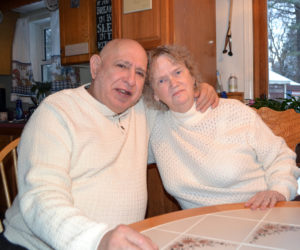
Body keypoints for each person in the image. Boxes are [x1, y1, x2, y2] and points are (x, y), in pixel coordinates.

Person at [0, 39, 219, 250]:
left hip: (120, 242)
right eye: (122, 66)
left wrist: (199, 89)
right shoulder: (57, 112)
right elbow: (40, 197)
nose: (131, 80)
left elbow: (180, 111)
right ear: (95, 67)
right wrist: (97, 240)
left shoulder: (143, 111)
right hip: (36, 245)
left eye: (140, 73)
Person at [144, 44, 300, 211]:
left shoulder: (233, 111)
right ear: (154, 94)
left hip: (258, 212)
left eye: (178, 72)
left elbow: (280, 156)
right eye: (161, 80)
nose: (173, 83)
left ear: (192, 77)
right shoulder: (155, 129)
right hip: (201, 227)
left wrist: (278, 190)